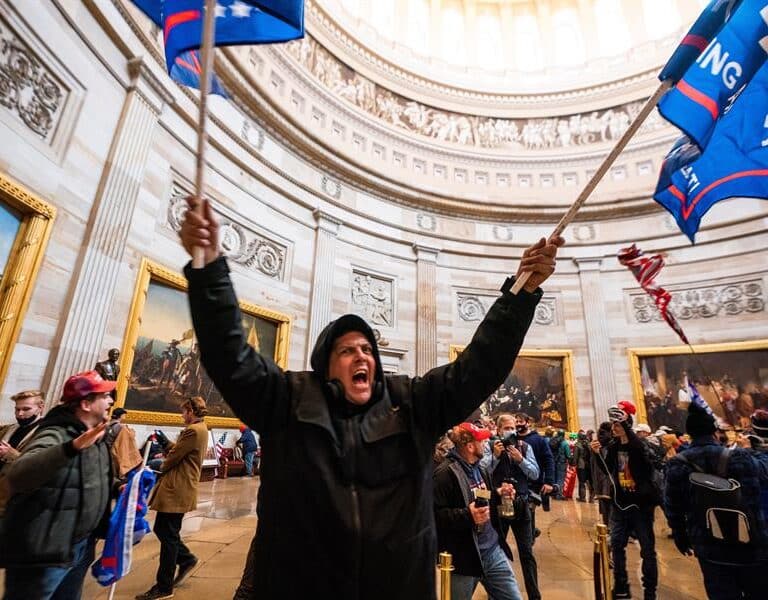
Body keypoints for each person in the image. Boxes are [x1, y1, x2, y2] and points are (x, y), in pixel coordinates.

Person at [179, 197, 563, 599]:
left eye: (367, 349)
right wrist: (208, 271)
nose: (361, 355)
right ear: (325, 365)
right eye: (347, 350)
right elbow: (230, 356)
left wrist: (521, 293)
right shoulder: (288, 400)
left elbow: (478, 367)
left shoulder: (411, 403)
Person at [0, 371, 115, 600]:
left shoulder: (94, 434)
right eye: (105, 396)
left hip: (79, 544)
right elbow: (19, 474)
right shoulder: (56, 433)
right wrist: (70, 448)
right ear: (85, 403)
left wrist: (119, 487)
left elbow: (90, 476)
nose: (110, 400)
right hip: (46, 549)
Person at [665, 402, 767, 598]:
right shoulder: (739, 457)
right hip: (750, 543)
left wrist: (680, 535)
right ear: (714, 433)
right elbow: (761, 479)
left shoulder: (678, 464)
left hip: (709, 544)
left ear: (690, 434)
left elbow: (673, 507)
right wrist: (751, 448)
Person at [433, 423, 524, 600]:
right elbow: (433, 516)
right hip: (465, 558)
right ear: (470, 446)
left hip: (493, 551)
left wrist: (498, 494)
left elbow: (482, 496)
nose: (486, 444)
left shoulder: (480, 469)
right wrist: (467, 516)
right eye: (481, 441)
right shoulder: (444, 474)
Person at [136, 397, 209, 600]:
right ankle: (186, 559)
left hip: (177, 487)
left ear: (191, 412)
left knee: (168, 537)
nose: (182, 415)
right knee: (165, 530)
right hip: (181, 486)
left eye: (184, 411)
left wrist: (154, 465)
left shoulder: (193, 430)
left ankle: (164, 586)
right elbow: (180, 451)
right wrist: (166, 442)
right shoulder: (201, 428)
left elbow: (173, 459)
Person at [591, 402, 660, 600]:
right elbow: (606, 470)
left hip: (641, 506)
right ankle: (621, 584)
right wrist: (596, 455)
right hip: (620, 504)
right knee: (617, 546)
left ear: (627, 424)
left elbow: (642, 457)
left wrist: (626, 427)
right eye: (613, 424)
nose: (614, 428)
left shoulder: (639, 444)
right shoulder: (613, 447)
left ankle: (650, 592)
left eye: (618, 424)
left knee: (647, 550)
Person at [491, 414, 542, 600]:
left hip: (521, 504)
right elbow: (482, 471)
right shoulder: (491, 447)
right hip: (498, 505)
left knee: (527, 553)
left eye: (513, 427)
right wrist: (495, 458)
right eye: (506, 428)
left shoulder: (524, 447)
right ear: (498, 430)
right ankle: (495, 594)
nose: (511, 431)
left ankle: (534, 596)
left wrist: (521, 460)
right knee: (496, 550)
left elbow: (535, 474)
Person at [514, 413, 555, 541]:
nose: (518, 424)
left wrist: (549, 482)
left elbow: (548, 460)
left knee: (529, 510)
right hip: (517, 482)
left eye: (520, 421)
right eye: (516, 421)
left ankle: (529, 538)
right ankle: (531, 532)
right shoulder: (512, 439)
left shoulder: (538, 440)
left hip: (534, 482)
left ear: (527, 423)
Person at [0, 390, 46, 472]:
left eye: (26, 409)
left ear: (40, 408)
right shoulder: (9, 429)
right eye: (17, 409)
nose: (20, 413)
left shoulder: (45, 432)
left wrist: (11, 454)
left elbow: (41, 465)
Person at [549, 430, 571, 499]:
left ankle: (553, 494)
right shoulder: (565, 443)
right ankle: (559, 495)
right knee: (560, 479)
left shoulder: (553, 441)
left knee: (555, 478)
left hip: (554, 462)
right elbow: (568, 455)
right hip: (562, 463)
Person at [573, 430, 593, 503]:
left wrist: (573, 464)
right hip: (589, 466)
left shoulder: (577, 445)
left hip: (581, 466)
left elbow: (575, 457)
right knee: (590, 482)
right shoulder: (590, 444)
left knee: (582, 482)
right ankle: (591, 498)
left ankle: (582, 497)